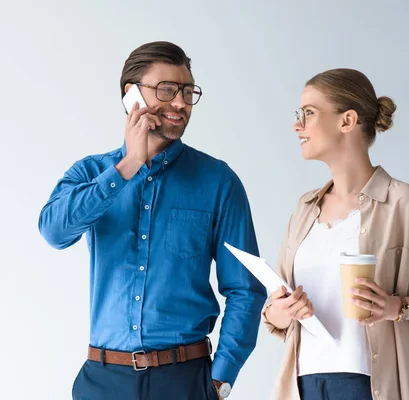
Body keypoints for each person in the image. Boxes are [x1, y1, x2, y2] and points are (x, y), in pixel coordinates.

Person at [38, 41, 266, 400]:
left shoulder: (219, 182)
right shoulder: (92, 172)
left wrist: (219, 381)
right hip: (102, 381)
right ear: (132, 96)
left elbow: (246, 290)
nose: (179, 102)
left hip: (185, 380)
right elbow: (54, 231)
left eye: (188, 92)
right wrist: (126, 166)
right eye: (166, 89)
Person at [262, 68, 409, 400]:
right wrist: (283, 311)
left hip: (368, 384)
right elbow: (276, 307)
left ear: (347, 120)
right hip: (302, 383)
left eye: (309, 114)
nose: (298, 125)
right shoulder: (305, 209)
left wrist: (394, 307)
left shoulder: (405, 203)